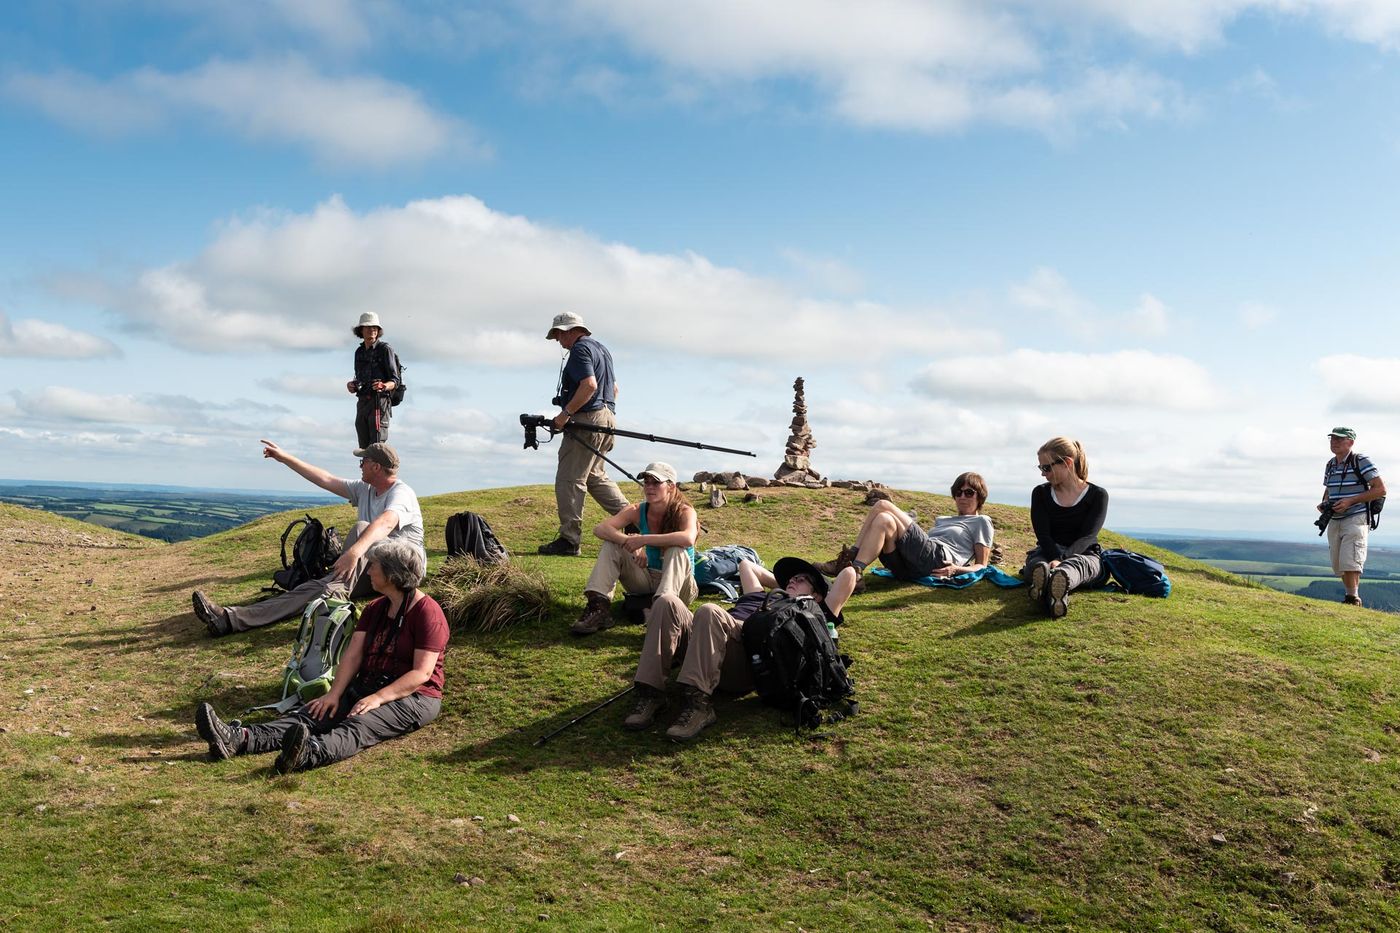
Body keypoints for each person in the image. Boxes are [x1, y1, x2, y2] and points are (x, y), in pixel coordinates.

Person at [194, 538, 448, 773]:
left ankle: (308, 754)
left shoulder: (428, 613)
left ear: (393, 574)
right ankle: (238, 739)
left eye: (374, 566)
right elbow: (353, 655)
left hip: (415, 697)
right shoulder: (375, 608)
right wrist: (335, 694)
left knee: (360, 724)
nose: (368, 571)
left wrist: (378, 699)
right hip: (369, 685)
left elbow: (421, 673)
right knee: (313, 713)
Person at [191, 440, 425, 636]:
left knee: (361, 529)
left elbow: (385, 523)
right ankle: (230, 619)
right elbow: (325, 478)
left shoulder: (401, 493)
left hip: (403, 569)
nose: (360, 465)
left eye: (363, 461)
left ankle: (333, 595)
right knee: (315, 586)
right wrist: (285, 458)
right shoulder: (365, 489)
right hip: (375, 569)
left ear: (376, 466)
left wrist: (353, 553)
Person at [625, 557, 858, 742]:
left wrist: (802, 596)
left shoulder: (811, 613)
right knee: (666, 601)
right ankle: (651, 693)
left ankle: (698, 705)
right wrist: (785, 587)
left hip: (745, 660)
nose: (793, 580)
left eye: (802, 579)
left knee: (708, 611)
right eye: (792, 578)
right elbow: (747, 565)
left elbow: (849, 575)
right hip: (707, 639)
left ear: (816, 595)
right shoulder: (758, 595)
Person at [537, 312, 630, 556]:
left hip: (588, 419)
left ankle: (569, 540)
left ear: (569, 330)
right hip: (608, 417)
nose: (558, 340)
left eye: (558, 334)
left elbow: (589, 385)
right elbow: (615, 388)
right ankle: (634, 521)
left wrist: (566, 414)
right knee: (595, 477)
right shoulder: (602, 349)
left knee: (569, 479)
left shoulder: (579, 351)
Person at [571, 461, 700, 636]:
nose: (649, 487)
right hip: (646, 579)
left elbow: (688, 538)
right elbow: (601, 529)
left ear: (671, 486)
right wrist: (629, 543)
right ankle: (598, 608)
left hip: (680, 586)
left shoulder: (685, 511)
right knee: (612, 543)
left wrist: (643, 540)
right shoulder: (638, 510)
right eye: (647, 482)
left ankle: (663, 613)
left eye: (656, 482)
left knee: (676, 549)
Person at [813, 472, 994, 588]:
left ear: (980, 497)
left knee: (882, 504)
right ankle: (857, 574)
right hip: (908, 567)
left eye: (969, 492)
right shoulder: (943, 520)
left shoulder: (981, 522)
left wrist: (955, 569)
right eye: (958, 492)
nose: (962, 496)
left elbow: (982, 566)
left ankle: (849, 558)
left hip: (938, 560)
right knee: (884, 519)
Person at [1023, 436, 1109, 619]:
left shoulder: (1097, 495)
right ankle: (1050, 581)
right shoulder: (1040, 493)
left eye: (1046, 467)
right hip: (1047, 551)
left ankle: (1055, 580)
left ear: (1067, 463)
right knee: (1036, 563)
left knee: (1077, 566)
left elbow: (1088, 536)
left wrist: (1062, 559)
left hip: (1085, 553)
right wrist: (1054, 556)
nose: (1043, 474)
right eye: (1041, 468)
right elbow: (1043, 534)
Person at [1320, 427, 1386, 606]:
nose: (1334, 442)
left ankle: (1352, 598)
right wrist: (1324, 503)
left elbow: (1380, 489)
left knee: (1351, 559)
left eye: (1339, 440)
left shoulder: (1361, 460)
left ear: (1350, 442)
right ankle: (1351, 596)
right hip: (1335, 518)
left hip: (1356, 517)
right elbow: (1329, 488)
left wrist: (1350, 501)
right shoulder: (1330, 464)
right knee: (1338, 563)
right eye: (1332, 439)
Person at [347, 312, 402, 449]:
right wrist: (352, 385)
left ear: (378, 331)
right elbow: (359, 378)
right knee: (363, 447)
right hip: (362, 402)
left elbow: (395, 381)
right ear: (361, 330)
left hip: (379, 402)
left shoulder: (385, 349)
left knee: (376, 446)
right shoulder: (359, 352)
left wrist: (383, 386)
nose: (372, 330)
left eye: (375, 328)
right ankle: (365, 469)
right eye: (368, 327)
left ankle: (377, 469)